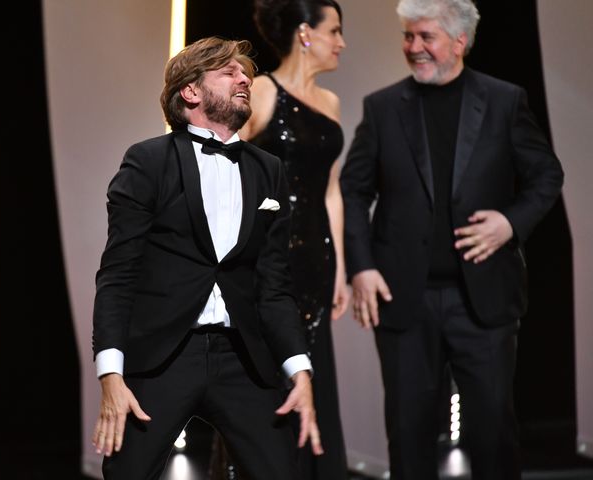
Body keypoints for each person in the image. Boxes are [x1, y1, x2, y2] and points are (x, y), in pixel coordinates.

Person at [339, 0, 564, 479]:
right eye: (408, 37)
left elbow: (546, 175)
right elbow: (354, 190)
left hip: (483, 297)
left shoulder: (505, 100)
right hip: (402, 298)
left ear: (460, 41)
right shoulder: (382, 107)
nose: (413, 48)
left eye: (426, 37)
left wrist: (509, 222)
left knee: (493, 434)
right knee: (408, 432)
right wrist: (361, 266)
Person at [91, 37, 323, 480]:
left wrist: (300, 370)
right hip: (163, 356)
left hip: (243, 357)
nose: (244, 80)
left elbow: (274, 285)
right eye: (229, 73)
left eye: (246, 75)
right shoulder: (147, 161)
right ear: (191, 92)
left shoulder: (267, 169)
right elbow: (118, 275)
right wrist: (111, 377)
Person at [222, 1, 349, 478]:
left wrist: (340, 265)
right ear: (305, 33)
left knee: (316, 383)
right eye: (334, 30)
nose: (341, 42)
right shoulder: (260, 91)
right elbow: (225, 169)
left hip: (317, 266)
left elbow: (331, 190)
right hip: (268, 268)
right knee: (270, 384)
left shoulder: (332, 103)